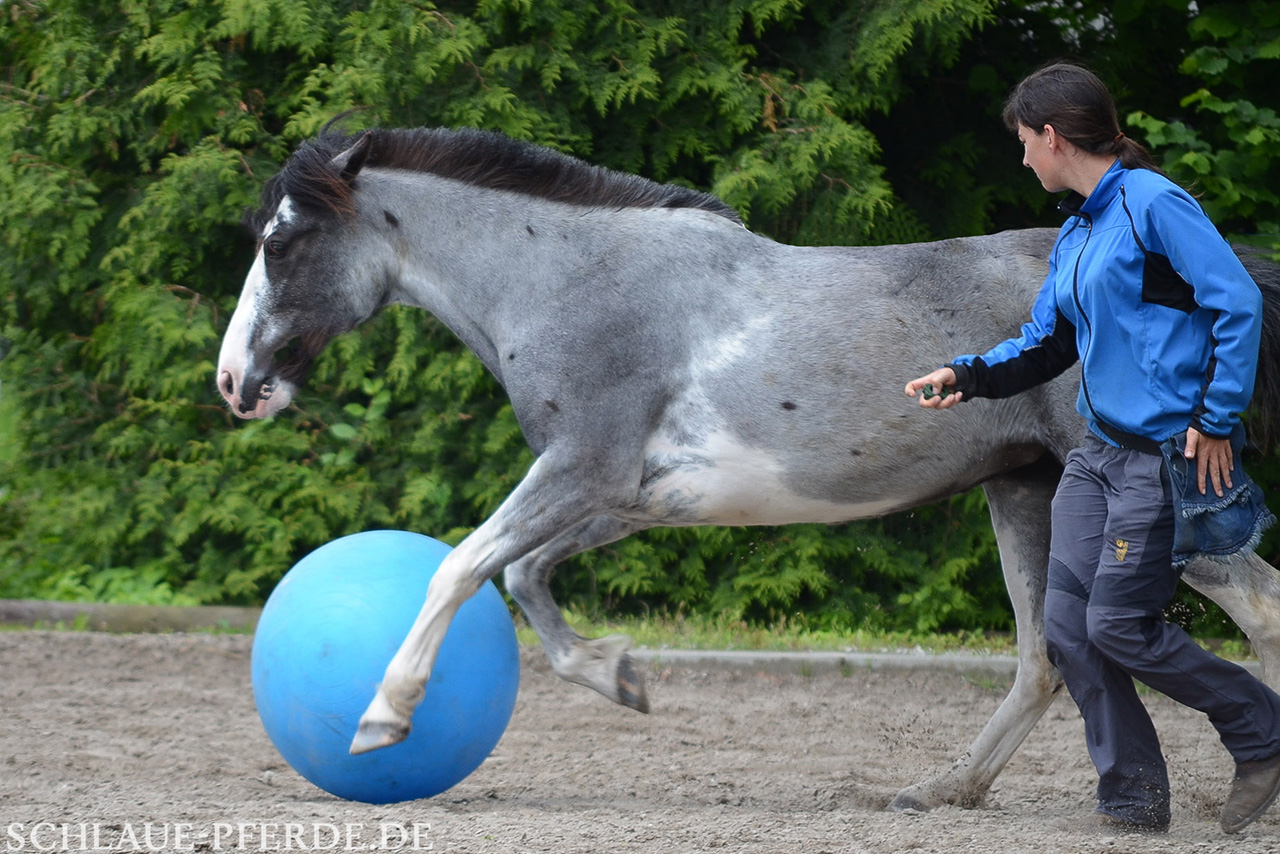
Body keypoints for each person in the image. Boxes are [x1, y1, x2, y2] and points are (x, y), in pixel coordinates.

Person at [904, 61, 1280, 834]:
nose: (1021, 159)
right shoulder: (1081, 227)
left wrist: (1214, 417)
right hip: (1097, 457)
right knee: (1069, 630)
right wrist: (967, 376)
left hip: (1157, 460)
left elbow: (1236, 299)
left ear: (1052, 135)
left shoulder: (1153, 204)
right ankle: (1133, 794)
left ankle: (1263, 730)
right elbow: (1048, 343)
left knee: (1118, 626)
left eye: (1023, 142)